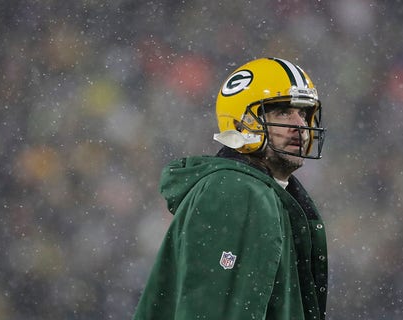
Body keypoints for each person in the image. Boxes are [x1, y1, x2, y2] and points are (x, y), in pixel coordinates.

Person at [133, 57, 328, 319]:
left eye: (303, 113)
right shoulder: (237, 191)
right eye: (283, 112)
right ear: (240, 123)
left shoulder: (258, 190)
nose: (300, 126)